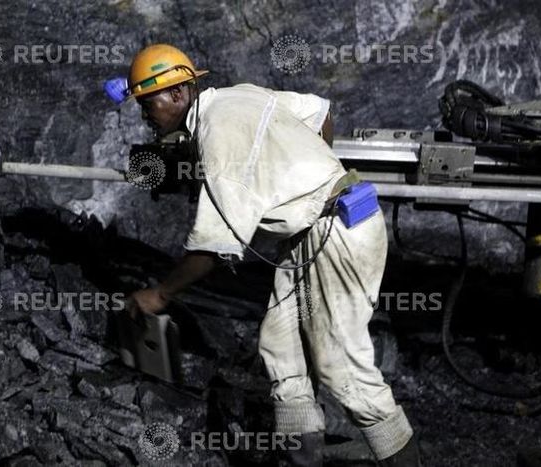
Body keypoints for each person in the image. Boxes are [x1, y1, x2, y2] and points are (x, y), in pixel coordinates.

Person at [123, 44, 419, 466]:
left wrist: (160, 295)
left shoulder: (217, 134)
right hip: (318, 231)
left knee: (343, 371)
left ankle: (404, 458)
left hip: (336, 234)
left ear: (178, 93)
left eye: (147, 102)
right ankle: (302, 457)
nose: (144, 114)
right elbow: (320, 111)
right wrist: (310, 177)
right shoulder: (235, 96)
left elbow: (213, 247)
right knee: (281, 344)